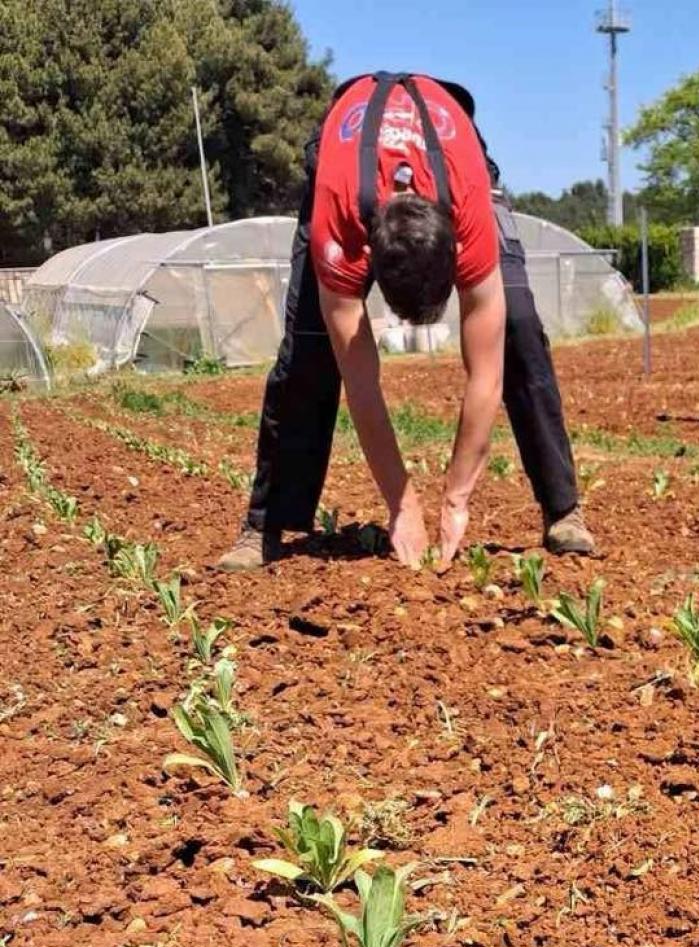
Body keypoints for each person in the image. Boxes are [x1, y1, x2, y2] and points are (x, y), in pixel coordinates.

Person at [218, 71, 595, 572]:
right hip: (345, 156)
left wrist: (455, 498)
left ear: (458, 250)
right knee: (309, 347)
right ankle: (265, 523)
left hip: (455, 147)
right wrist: (402, 503)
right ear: (368, 258)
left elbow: (487, 370)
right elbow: (361, 379)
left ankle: (562, 509)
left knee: (519, 324)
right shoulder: (342, 215)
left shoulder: (467, 203)